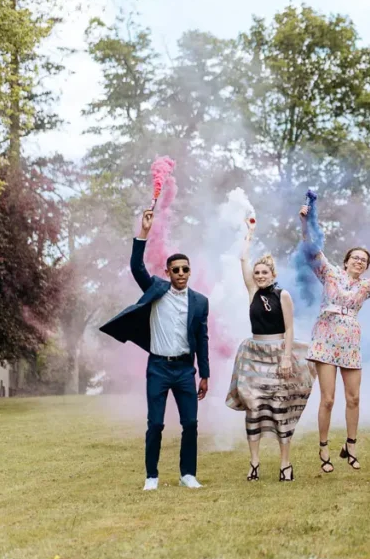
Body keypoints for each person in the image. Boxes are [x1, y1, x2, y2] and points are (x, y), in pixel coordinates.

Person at [98, 208, 210, 491]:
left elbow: (202, 338)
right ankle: (152, 476)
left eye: (185, 269)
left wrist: (204, 374)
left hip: (185, 369)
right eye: (176, 270)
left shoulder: (200, 302)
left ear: (190, 271)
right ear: (168, 272)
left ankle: (188, 474)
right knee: (156, 424)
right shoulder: (157, 290)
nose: (181, 273)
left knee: (191, 423)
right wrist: (143, 232)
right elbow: (136, 267)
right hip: (159, 367)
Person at [300, 205, 370, 472]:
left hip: (350, 340)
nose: (360, 262)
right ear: (346, 261)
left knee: (353, 398)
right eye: (356, 258)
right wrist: (305, 224)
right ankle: (324, 447)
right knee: (327, 398)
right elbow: (312, 250)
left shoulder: (366, 285)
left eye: (364, 260)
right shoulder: (329, 274)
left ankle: (350, 445)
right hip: (325, 338)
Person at [225, 225, 316, 482]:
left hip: (278, 353)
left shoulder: (282, 295)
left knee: (280, 408)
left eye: (264, 272)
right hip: (255, 355)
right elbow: (243, 259)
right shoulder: (253, 292)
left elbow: (289, 328)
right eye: (257, 273)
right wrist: (249, 237)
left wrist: (287, 357)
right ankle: (254, 463)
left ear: (273, 273)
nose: (260, 276)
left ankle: (285, 464)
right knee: (253, 407)